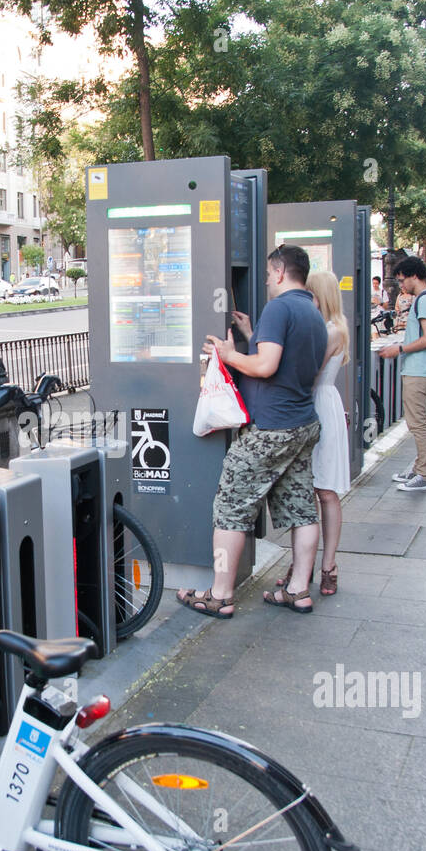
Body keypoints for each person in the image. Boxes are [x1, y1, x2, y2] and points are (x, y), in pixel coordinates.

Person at [176, 244, 327, 617]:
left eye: (266, 275)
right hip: (302, 423)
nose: (265, 281)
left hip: (271, 428)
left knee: (229, 507)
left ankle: (221, 594)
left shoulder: (279, 307)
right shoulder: (312, 310)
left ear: (278, 272)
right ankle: (298, 590)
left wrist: (228, 355)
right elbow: (292, 361)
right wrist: (251, 332)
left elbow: (267, 365)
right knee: (301, 508)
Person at [277, 271, 350, 596]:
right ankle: (308, 565)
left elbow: (307, 368)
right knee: (313, 491)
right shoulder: (332, 327)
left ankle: (326, 565)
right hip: (321, 404)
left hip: (318, 403)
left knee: (324, 491)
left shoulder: (331, 330)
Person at [379, 256, 426, 491]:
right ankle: (419, 469)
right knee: (422, 422)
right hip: (421, 369)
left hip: (419, 370)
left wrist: (399, 348)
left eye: (402, 281)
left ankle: (424, 474)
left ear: (414, 275)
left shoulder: (424, 301)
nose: (401, 286)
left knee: (418, 424)